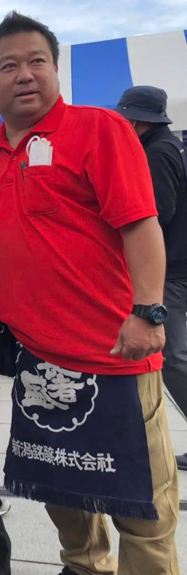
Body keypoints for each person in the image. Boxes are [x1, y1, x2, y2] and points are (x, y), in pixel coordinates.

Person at [0, 12, 181, 575]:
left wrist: (148, 311)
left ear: (57, 70)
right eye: (8, 66)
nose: (24, 75)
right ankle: (87, 568)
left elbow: (142, 225)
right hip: (38, 356)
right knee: (59, 484)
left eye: (37, 61)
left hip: (115, 349)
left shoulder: (99, 129)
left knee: (143, 494)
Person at [116, 86, 187, 471]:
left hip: (171, 272)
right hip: (179, 265)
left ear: (139, 121)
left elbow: (154, 218)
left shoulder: (157, 153)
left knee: (173, 358)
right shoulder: (172, 146)